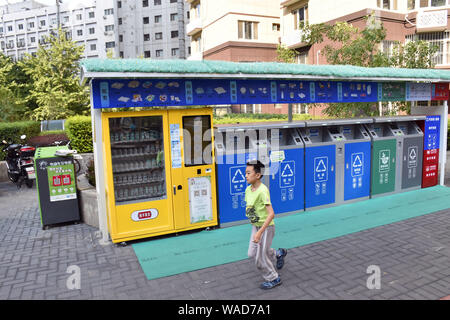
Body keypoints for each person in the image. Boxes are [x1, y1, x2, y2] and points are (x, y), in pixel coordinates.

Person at [245, 160, 287, 290]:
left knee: (260, 258)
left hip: (266, 228)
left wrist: (260, 232)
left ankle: (273, 278)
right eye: (245, 173)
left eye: (248, 173)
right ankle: (278, 254)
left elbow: (271, 214)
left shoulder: (263, 191)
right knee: (252, 253)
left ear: (257, 175)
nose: (245, 175)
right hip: (255, 226)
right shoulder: (248, 189)